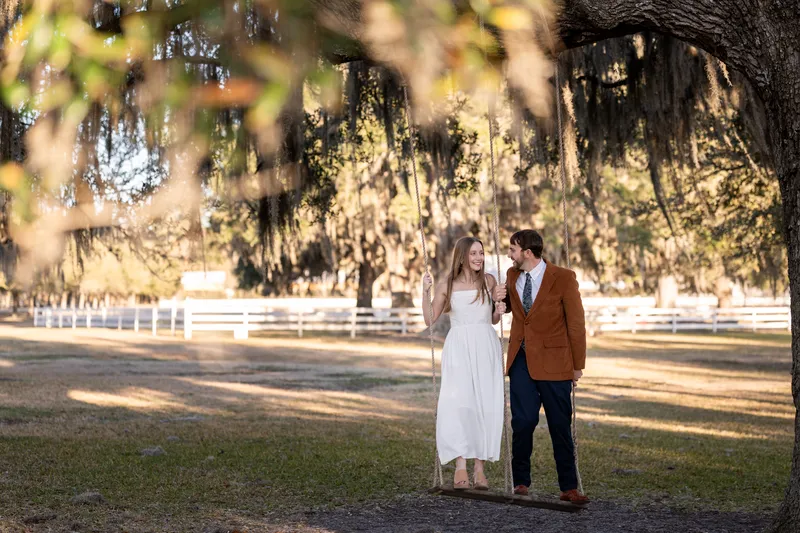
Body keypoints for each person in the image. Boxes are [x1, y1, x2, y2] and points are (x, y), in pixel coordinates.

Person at [491, 229, 589, 504]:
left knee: (559, 424)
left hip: (557, 363)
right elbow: (508, 308)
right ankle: (521, 481)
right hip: (521, 360)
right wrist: (498, 296)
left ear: (527, 252)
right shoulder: (512, 276)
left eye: (512, 249)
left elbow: (576, 323)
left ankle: (569, 486)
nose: (509, 254)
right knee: (522, 422)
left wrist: (577, 365)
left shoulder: (563, 278)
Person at [422, 236, 506, 490]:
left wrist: (498, 309)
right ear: (462, 256)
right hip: (459, 347)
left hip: (486, 345)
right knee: (460, 404)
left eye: (481, 253)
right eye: (473, 254)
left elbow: (491, 320)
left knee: (484, 403)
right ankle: (460, 465)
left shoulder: (489, 281)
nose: (479, 258)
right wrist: (424, 291)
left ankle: (479, 468)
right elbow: (429, 318)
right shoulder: (448, 284)